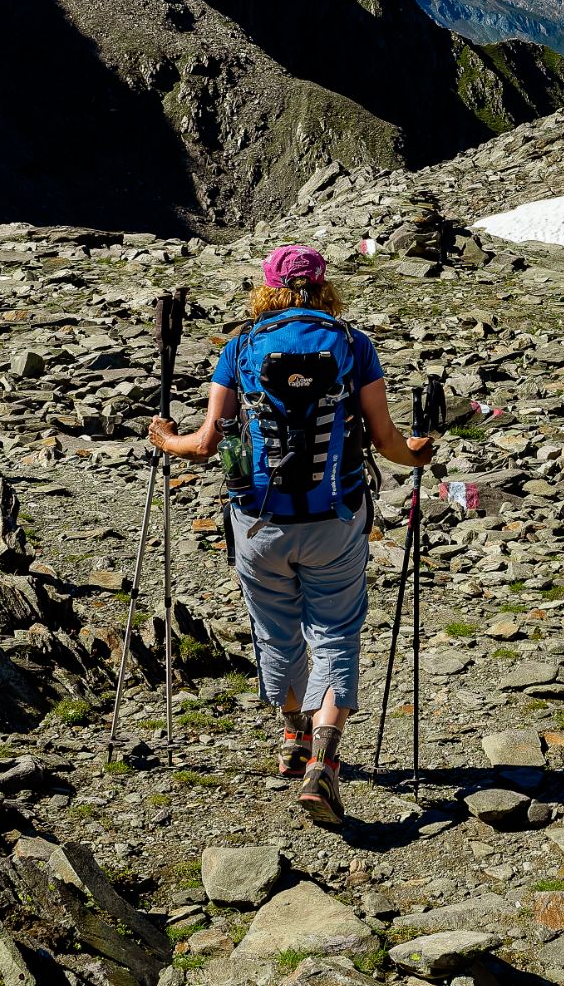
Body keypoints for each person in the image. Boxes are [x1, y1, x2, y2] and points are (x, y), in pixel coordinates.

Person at [149, 244, 432, 825]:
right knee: (335, 630)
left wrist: (164, 440)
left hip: (257, 520)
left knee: (276, 632)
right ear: (323, 285)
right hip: (334, 517)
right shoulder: (354, 346)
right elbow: (386, 442)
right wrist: (417, 453)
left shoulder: (240, 347)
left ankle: (292, 737)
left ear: (267, 287)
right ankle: (323, 765)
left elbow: (206, 444)